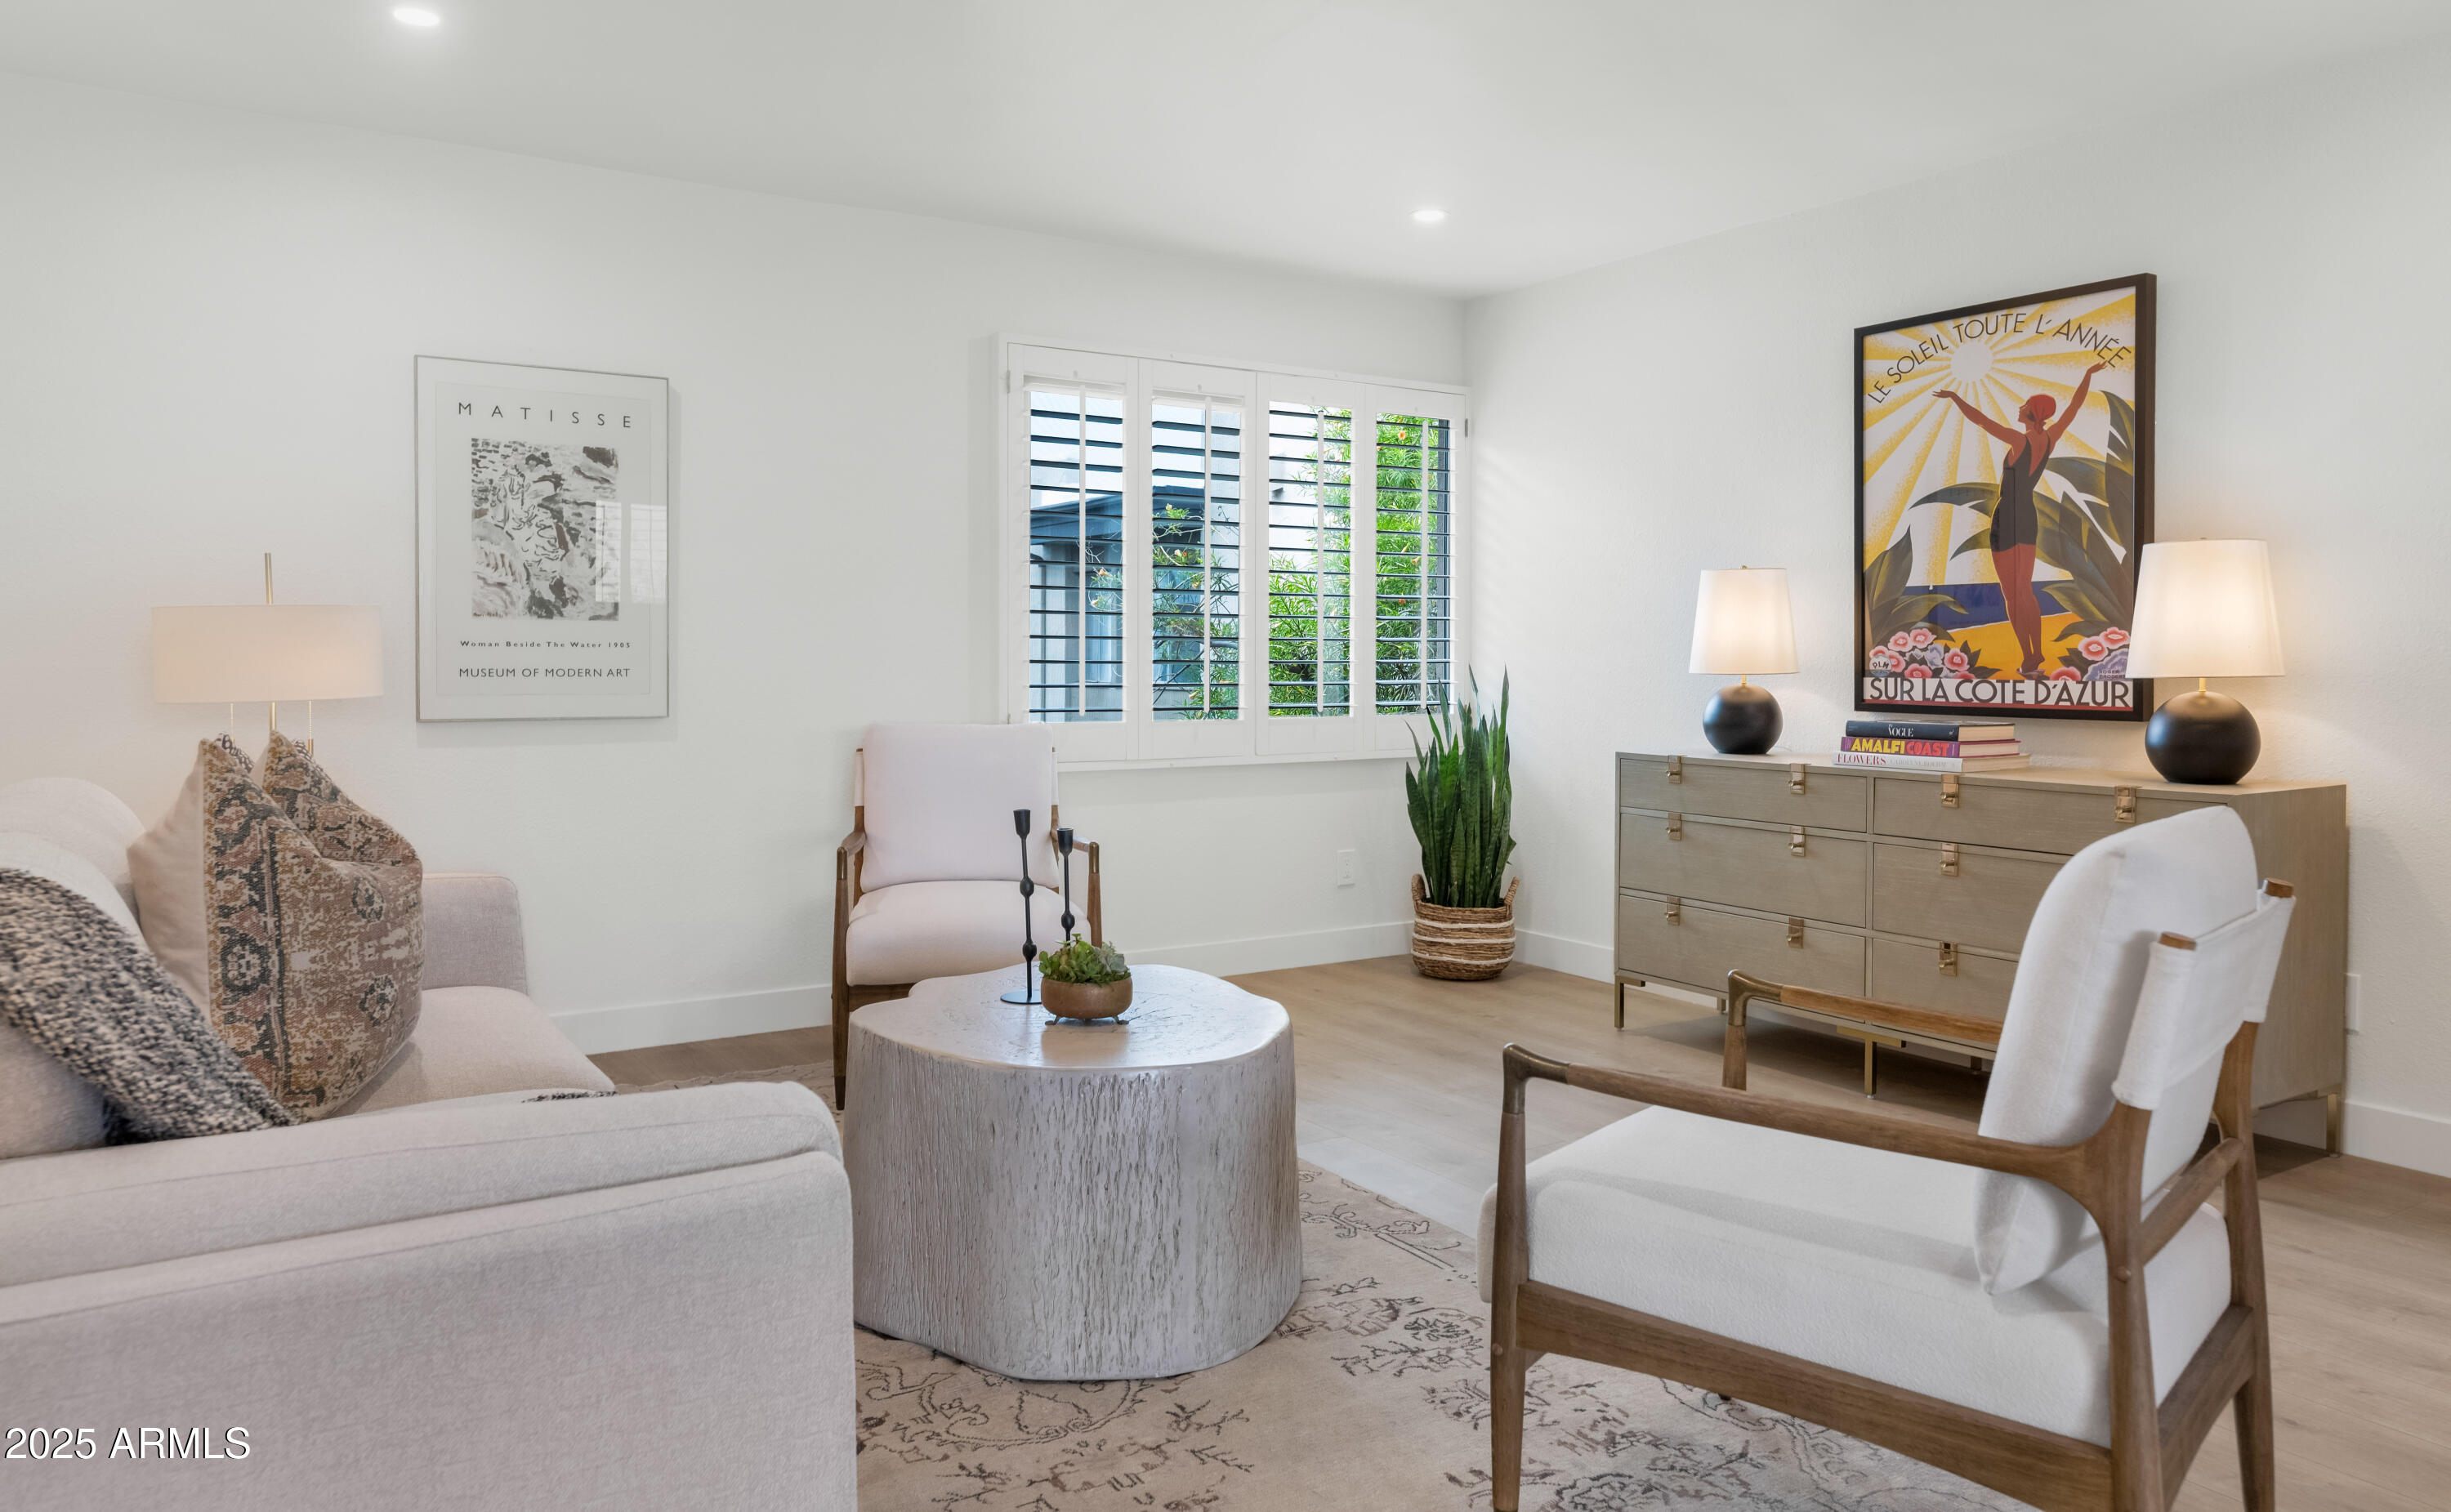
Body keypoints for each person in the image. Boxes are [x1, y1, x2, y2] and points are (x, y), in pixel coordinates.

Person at [1931, 362, 2106, 676]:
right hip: (2028, 514)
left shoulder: (2019, 440)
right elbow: (2074, 407)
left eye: (2024, 404)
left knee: (2011, 593)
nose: (2019, 406)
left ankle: (2027, 658)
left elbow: (1982, 422)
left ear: (2032, 412)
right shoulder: (2050, 438)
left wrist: (1956, 397)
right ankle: (2036, 653)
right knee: (2025, 588)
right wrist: (2087, 376)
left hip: (2007, 514)